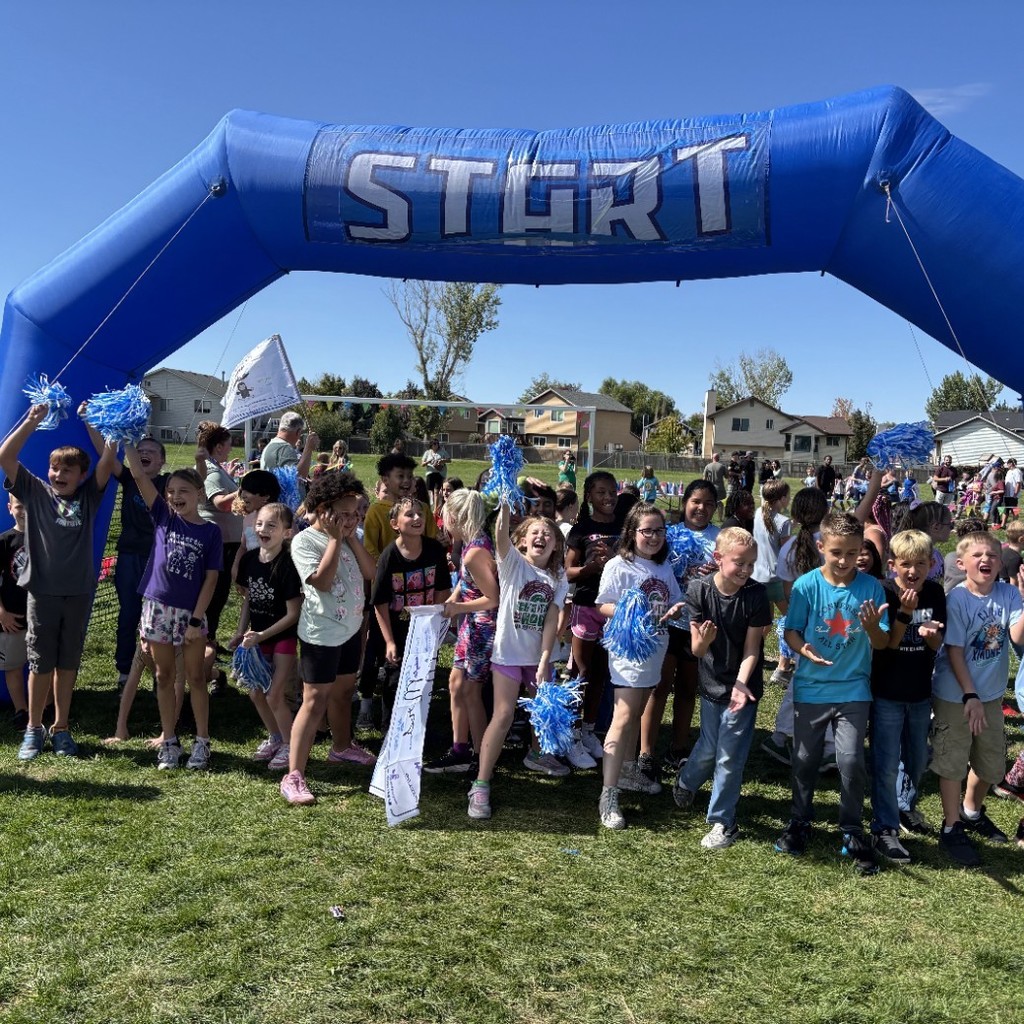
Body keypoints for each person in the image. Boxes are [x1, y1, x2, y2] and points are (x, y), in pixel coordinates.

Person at [775, 510, 890, 873]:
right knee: (805, 760)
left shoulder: (871, 587)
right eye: (836, 552)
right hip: (810, 689)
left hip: (854, 690)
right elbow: (791, 630)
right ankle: (800, 820)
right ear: (822, 546)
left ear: (862, 552)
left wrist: (873, 627)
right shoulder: (807, 585)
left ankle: (853, 829)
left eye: (852, 553)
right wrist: (801, 648)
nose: (844, 561)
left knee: (852, 760)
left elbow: (883, 642)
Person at [1, 403, 117, 760]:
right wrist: (32, 422)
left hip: (79, 593)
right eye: (54, 468)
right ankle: (33, 730)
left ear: (81, 475)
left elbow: (109, 458)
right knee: (39, 663)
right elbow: (5, 455)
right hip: (42, 593)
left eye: (67, 470)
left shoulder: (88, 496)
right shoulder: (35, 493)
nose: (58, 474)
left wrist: (90, 422)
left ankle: (61, 727)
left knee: (67, 664)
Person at [122, 444, 222, 769]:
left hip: (190, 615)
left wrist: (196, 621)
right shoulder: (163, 516)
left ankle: (203, 741)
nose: (177, 496)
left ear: (199, 493)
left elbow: (210, 580)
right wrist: (127, 440)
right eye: (172, 491)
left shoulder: (210, 532)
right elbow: (137, 474)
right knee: (164, 677)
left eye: (185, 491)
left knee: (195, 677)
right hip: (156, 611)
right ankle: (169, 741)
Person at [467, 500, 569, 820]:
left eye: (548, 534)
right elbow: (500, 533)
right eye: (535, 533)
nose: (541, 537)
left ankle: (537, 755)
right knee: (504, 714)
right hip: (508, 655)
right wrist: (507, 505)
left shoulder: (558, 576)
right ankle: (481, 784)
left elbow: (552, 618)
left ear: (556, 545)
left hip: (537, 658)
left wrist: (544, 660)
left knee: (544, 713)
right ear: (522, 540)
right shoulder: (513, 564)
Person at [281, 470, 377, 805]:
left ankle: (341, 747)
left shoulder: (352, 537)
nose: (352, 520)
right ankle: (294, 775)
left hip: (349, 631)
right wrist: (337, 539)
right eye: (345, 514)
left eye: (356, 514)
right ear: (323, 510)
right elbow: (320, 582)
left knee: (344, 691)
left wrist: (349, 537)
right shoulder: (305, 541)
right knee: (314, 701)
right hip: (321, 635)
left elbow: (372, 573)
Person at [672, 528, 771, 849]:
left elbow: (753, 648)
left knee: (729, 757)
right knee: (709, 747)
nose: (745, 570)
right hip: (711, 684)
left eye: (751, 564)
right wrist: (703, 641)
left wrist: (742, 683)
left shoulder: (756, 595)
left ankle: (722, 822)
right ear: (718, 559)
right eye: (739, 563)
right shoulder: (699, 589)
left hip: (743, 687)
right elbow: (697, 651)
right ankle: (687, 779)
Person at [930, 531, 1024, 866]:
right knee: (953, 762)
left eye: (993, 556)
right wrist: (969, 694)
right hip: (956, 694)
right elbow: (954, 650)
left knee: (992, 763)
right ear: (961, 563)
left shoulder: (1009, 593)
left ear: (1002, 562)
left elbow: (1016, 636)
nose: (986, 560)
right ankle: (951, 826)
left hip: (990, 695)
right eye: (978, 555)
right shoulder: (957, 599)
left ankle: (971, 811)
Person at [595, 502, 684, 829]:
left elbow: (675, 600)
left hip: (656, 649)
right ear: (632, 532)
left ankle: (629, 770)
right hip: (628, 651)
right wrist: (629, 613)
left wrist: (676, 610)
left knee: (634, 713)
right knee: (623, 716)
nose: (654, 536)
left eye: (659, 531)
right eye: (647, 530)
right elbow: (602, 604)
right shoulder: (620, 565)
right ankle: (609, 793)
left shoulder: (662, 568)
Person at [868, 530, 946, 862]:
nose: (912, 571)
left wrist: (932, 637)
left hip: (919, 692)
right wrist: (903, 612)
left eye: (919, 564)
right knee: (886, 763)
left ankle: (905, 807)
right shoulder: (885, 591)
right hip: (886, 691)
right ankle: (884, 828)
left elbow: (937, 645)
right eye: (905, 564)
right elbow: (887, 644)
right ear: (892, 565)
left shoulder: (935, 592)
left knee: (917, 758)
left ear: (931, 564)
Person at [638, 479, 719, 780]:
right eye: (696, 501)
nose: (701, 508)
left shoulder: (719, 537)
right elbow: (653, 568)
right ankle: (646, 750)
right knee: (658, 687)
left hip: (699, 625)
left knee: (687, 688)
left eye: (709, 503)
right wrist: (685, 571)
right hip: (666, 620)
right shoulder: (668, 534)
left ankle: (679, 748)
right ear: (685, 502)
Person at [81, 421, 171, 687]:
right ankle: (124, 672)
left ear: (162, 462)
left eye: (151, 452)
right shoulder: (130, 479)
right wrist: (89, 423)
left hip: (159, 559)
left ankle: (160, 673)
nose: (144, 453)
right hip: (130, 556)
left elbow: (196, 486)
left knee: (157, 618)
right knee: (128, 614)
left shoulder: (169, 483)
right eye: (140, 449)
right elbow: (104, 455)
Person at [425, 489, 499, 774]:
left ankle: (481, 758)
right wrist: (455, 597)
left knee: (471, 691)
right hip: (470, 624)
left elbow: (493, 598)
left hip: (482, 628)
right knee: (456, 684)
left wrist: (458, 609)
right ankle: (460, 749)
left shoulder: (475, 553)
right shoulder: (471, 545)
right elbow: (469, 584)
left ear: (455, 517)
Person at [230, 502, 303, 772]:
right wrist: (240, 631)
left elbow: (293, 613)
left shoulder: (288, 565)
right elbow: (249, 598)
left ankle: (288, 744)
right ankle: (275, 737)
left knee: (274, 695)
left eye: (271, 525)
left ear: (286, 532)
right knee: (255, 694)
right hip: (256, 639)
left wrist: (261, 635)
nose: (263, 529)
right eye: (259, 523)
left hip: (282, 638)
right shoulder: (249, 559)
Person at [372, 497, 452, 720]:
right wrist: (388, 641)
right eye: (409, 514)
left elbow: (442, 588)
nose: (417, 518)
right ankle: (391, 730)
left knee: (422, 679)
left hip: (424, 628)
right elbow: (379, 602)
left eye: (420, 514)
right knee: (395, 680)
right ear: (395, 524)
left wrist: (433, 621)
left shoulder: (435, 550)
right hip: (396, 628)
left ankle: (416, 729)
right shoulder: (389, 556)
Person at [565, 471, 622, 762]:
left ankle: (589, 730)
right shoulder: (581, 528)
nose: (608, 497)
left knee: (602, 673)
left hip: (613, 608)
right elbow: (568, 571)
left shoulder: (625, 525)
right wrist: (591, 569)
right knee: (581, 672)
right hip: (586, 605)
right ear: (589, 496)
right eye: (601, 492)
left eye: (612, 491)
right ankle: (572, 735)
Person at [752, 479, 793, 681]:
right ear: (782, 498)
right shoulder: (784, 522)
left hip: (757, 576)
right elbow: (785, 554)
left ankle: (752, 655)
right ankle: (782, 668)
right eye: (788, 495)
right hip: (776, 577)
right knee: (793, 619)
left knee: (764, 623)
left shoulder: (758, 514)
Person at [0, 494, 29, 729]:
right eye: (20, 506)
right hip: (12, 616)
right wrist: (1, 613)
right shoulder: (4, 540)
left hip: (40, 614)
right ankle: (21, 709)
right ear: (10, 508)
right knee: (12, 665)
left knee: (46, 665)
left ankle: (47, 706)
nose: (25, 511)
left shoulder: (46, 538)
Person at [260, 411, 318, 480]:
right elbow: (299, 476)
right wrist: (308, 448)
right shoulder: (284, 448)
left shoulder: (271, 445)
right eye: (300, 433)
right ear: (298, 431)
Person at [420, 438, 450, 509]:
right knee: (430, 491)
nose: (436, 445)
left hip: (440, 474)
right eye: (434, 444)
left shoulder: (442, 452)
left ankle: (435, 509)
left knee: (437, 491)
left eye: (437, 444)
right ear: (431, 445)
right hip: (430, 473)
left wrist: (443, 460)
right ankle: (428, 506)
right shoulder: (427, 452)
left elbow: (449, 460)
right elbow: (422, 464)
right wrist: (428, 462)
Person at [703, 453, 727, 521]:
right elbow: (727, 476)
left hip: (711, 487)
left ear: (712, 458)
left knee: (710, 503)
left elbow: (704, 478)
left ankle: (709, 517)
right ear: (718, 458)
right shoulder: (722, 466)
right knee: (720, 503)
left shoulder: (707, 466)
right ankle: (720, 518)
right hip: (720, 488)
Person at [1000, 457, 1021, 528]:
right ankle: (1003, 525)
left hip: (1013, 495)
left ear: (1011, 464)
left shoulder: (1017, 471)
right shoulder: (1009, 472)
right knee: (1005, 509)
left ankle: (1015, 525)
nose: (1007, 465)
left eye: (1008, 464)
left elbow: (1018, 483)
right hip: (1006, 494)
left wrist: (1015, 493)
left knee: (1014, 510)